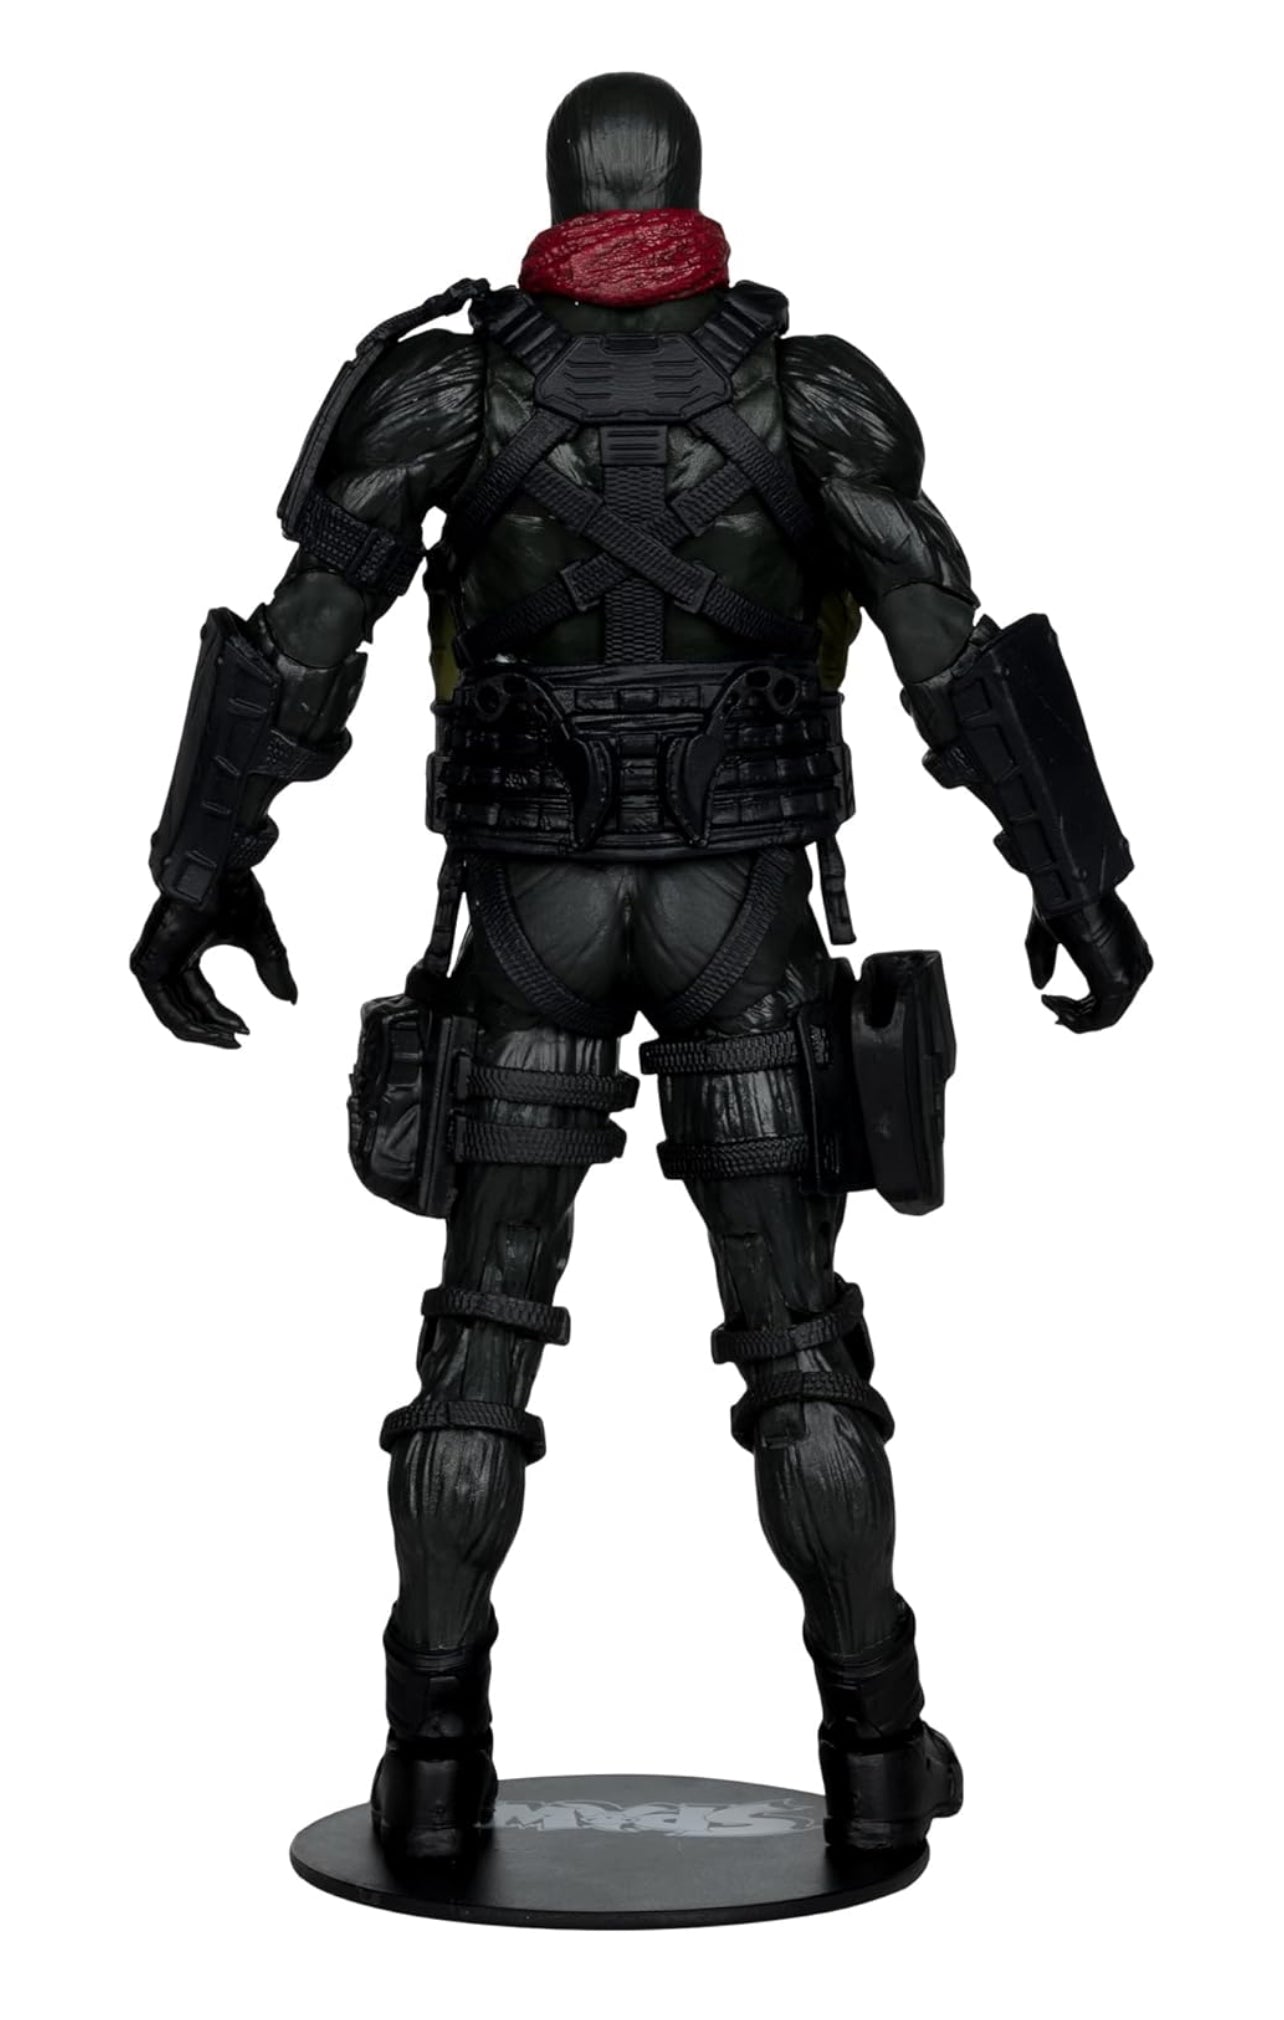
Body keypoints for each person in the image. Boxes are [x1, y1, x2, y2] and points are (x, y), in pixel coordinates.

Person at [133, 71, 1150, 1860]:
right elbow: (945, 646)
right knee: (800, 1346)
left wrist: (200, 868)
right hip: (736, 907)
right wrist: (1071, 878)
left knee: (480, 1336)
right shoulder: (809, 393)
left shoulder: (447, 391)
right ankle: (874, 1746)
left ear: (560, 194)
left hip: (531, 909)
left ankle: (431, 1766)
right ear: (689, 189)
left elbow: (304, 642)